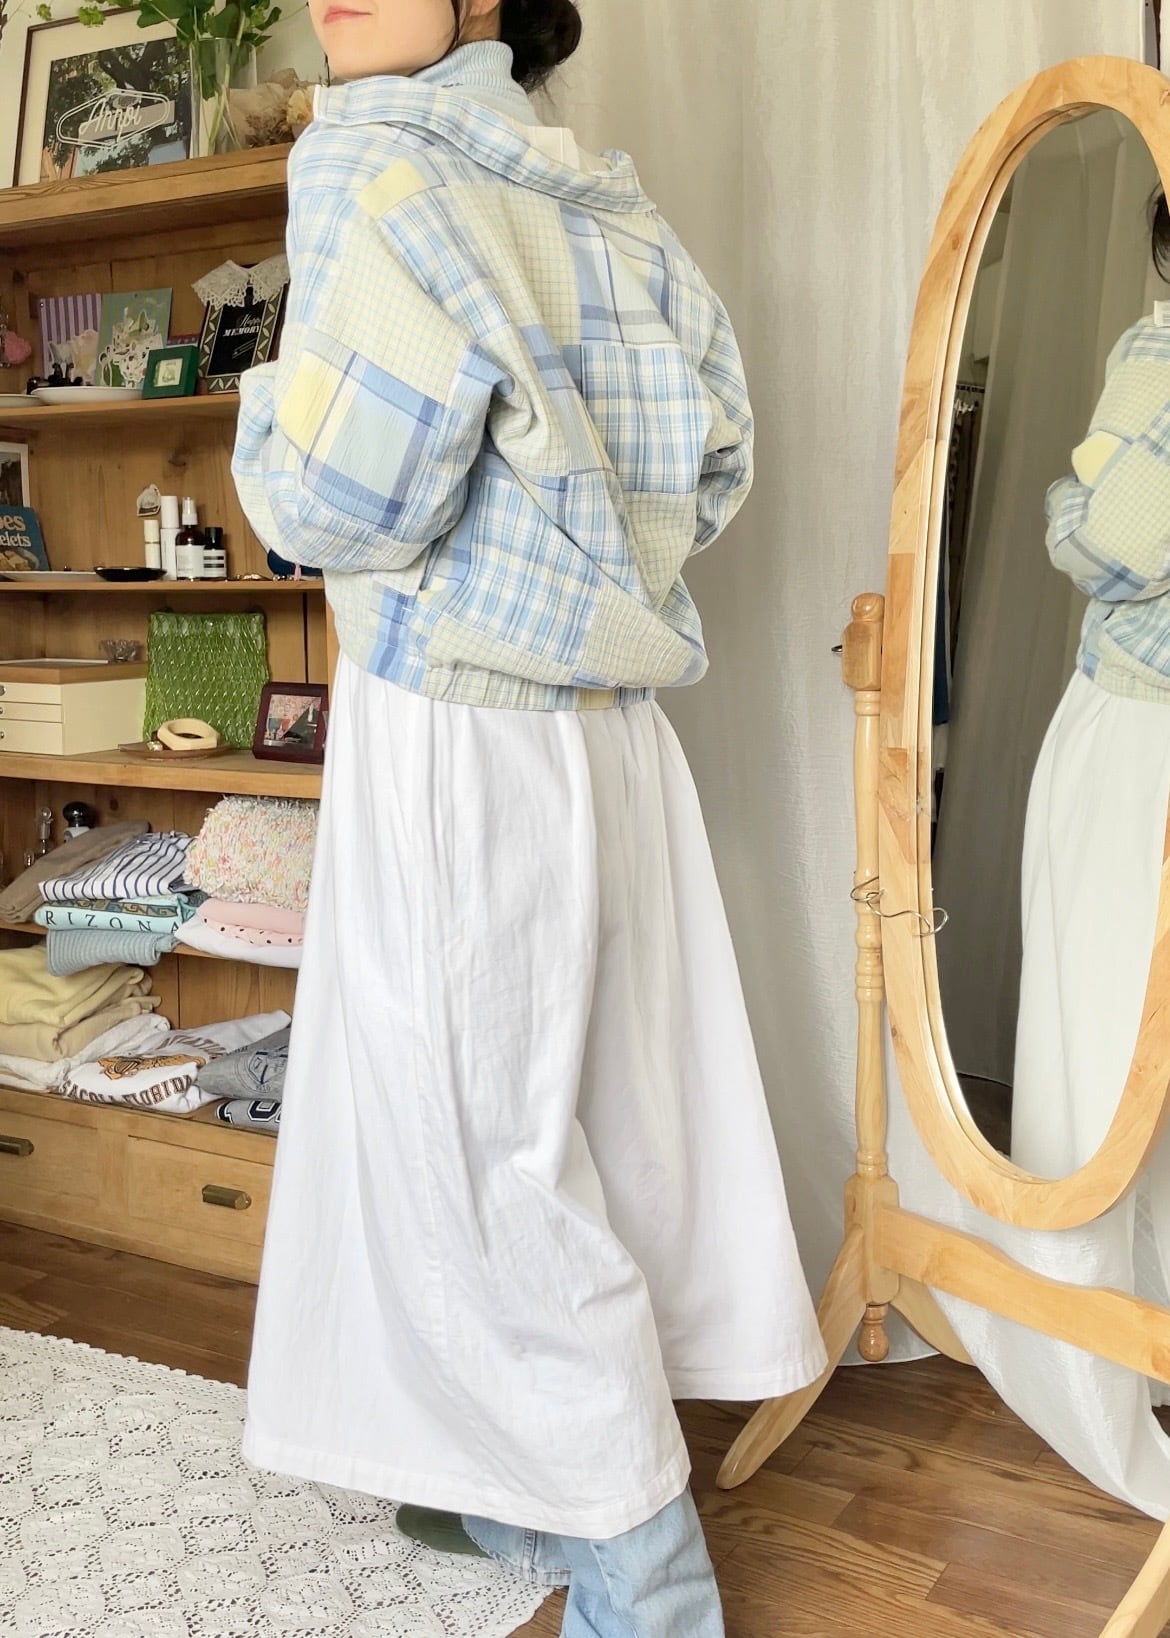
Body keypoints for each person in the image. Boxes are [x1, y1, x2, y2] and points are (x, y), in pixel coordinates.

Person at [231, 3, 827, 1633]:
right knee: (595, 1123)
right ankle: (520, 1481)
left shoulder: (377, 164)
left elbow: (340, 499)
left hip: (459, 728)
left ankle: (647, 1577)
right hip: (613, 736)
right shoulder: (601, 196)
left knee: (473, 1152)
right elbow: (716, 459)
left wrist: (267, 399)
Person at [1012, 192, 1170, 1316]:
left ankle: (1089, 1318)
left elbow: (1107, 544)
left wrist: (1065, 497)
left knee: (1101, 1024)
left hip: (1139, 719)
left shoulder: (1162, 350)